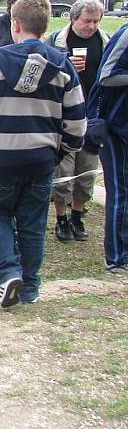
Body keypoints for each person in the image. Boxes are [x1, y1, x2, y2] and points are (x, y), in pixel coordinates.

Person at [0, 0, 86, 307]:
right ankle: (29, 287)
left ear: (14, 25)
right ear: (45, 27)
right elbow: (77, 124)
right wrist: (61, 151)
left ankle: (8, 271)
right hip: (40, 160)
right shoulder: (63, 66)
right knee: (32, 224)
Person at [46, 0, 109, 242]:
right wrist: (65, 66)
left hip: (92, 116)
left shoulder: (105, 42)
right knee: (63, 171)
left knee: (87, 171)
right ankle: (60, 219)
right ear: (73, 19)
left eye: (95, 21)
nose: (91, 26)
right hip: (63, 116)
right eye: (86, 21)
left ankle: (77, 215)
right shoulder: (55, 41)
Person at [92, 21, 128, 274]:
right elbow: (106, 75)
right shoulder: (125, 35)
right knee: (119, 190)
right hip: (116, 126)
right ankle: (116, 257)